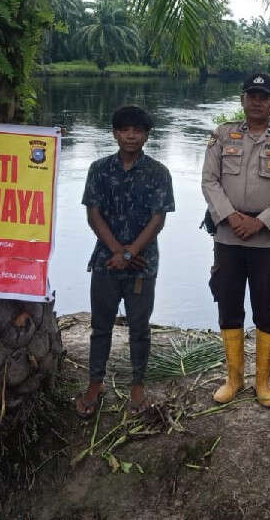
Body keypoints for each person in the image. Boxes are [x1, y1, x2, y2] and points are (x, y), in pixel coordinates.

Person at [201, 72, 270, 407]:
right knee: (228, 305)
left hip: (266, 241)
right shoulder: (221, 134)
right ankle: (233, 379)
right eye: (252, 95)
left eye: (264, 96)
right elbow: (209, 180)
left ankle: (263, 383)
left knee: (266, 306)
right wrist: (231, 217)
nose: (257, 102)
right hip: (228, 237)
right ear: (243, 99)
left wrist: (261, 222)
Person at [76, 105, 175, 418]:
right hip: (106, 262)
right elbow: (93, 214)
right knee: (100, 327)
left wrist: (131, 253)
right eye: (124, 130)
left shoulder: (159, 172)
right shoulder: (99, 169)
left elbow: (158, 220)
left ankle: (137, 385)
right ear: (115, 133)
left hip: (142, 266)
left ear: (146, 135)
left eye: (138, 131)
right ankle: (95, 383)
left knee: (139, 328)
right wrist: (117, 252)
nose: (131, 136)